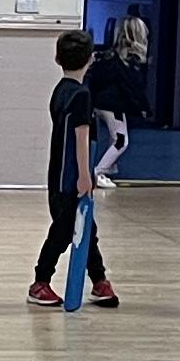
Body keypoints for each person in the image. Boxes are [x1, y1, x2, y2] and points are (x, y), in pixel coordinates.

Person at [28, 29, 114, 309]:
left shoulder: (60, 91)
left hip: (58, 175)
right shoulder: (81, 95)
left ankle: (99, 281)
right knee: (64, 231)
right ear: (91, 59)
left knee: (87, 228)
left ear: (57, 58)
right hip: (72, 178)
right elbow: (81, 137)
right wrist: (85, 176)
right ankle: (40, 282)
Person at [85, 14, 150, 187]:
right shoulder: (130, 61)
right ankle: (98, 172)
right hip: (112, 106)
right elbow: (133, 88)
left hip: (102, 103)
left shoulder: (110, 56)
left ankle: (110, 166)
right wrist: (143, 107)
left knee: (115, 137)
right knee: (121, 141)